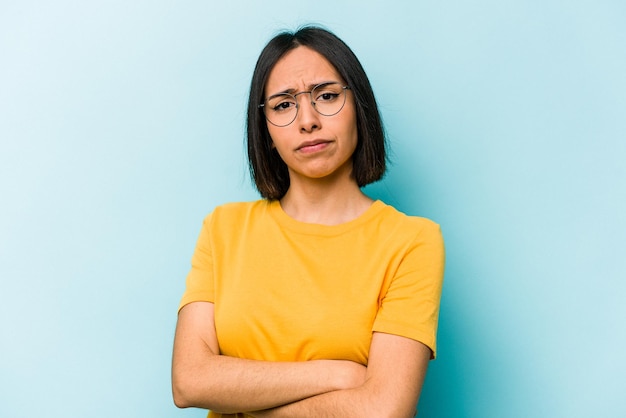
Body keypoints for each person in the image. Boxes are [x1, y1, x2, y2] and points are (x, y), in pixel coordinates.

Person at [171, 26, 445, 418]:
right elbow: (189, 381)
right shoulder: (223, 229)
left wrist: (242, 400)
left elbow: (383, 410)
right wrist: (340, 374)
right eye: (283, 105)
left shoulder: (412, 241)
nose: (308, 120)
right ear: (265, 130)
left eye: (327, 96)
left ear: (359, 107)